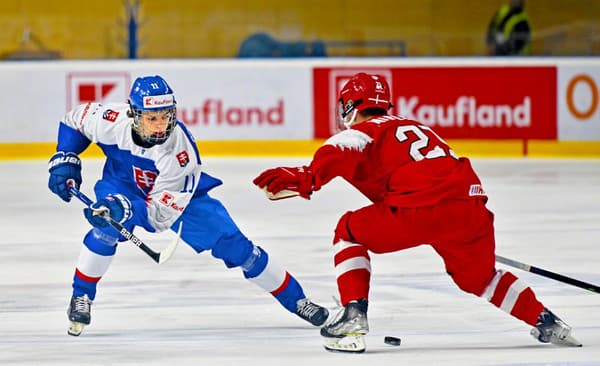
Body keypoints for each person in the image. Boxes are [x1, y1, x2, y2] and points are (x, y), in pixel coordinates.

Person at [253, 72, 581, 353]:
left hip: (420, 211)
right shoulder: (414, 125)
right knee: (480, 278)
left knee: (347, 231)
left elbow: (341, 147)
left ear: (351, 106)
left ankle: (353, 318)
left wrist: (308, 176)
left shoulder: (363, 131)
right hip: (470, 210)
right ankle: (547, 321)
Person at [47, 75, 328, 336]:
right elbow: (74, 121)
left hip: (182, 200)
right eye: (151, 118)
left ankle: (297, 300)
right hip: (122, 184)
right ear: (133, 114)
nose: (160, 126)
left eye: (165, 116)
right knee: (106, 230)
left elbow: (159, 217)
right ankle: (81, 294)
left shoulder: (180, 154)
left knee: (240, 250)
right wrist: (65, 156)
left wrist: (127, 208)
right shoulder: (111, 119)